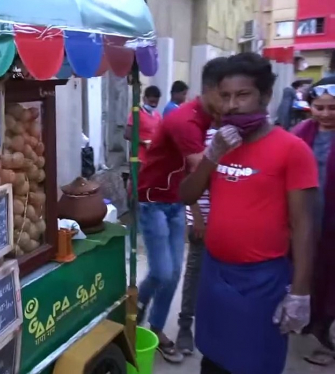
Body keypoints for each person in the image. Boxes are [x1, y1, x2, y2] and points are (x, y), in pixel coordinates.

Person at [180, 52, 318, 374]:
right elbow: (186, 194)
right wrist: (212, 156)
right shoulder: (220, 143)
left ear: (266, 96)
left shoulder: (292, 150)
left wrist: (300, 292)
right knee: (212, 359)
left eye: (243, 95)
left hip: (262, 282)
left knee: (253, 363)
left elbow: (304, 226)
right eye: (225, 96)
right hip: (215, 274)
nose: (231, 105)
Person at [134, 57, 227, 363]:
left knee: (173, 274)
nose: (229, 105)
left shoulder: (208, 119)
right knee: (161, 271)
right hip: (154, 202)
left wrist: (194, 214)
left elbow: (192, 180)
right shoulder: (186, 121)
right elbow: (201, 171)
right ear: (209, 89)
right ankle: (134, 311)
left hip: (176, 203)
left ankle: (157, 330)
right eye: (224, 96)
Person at [292, 76, 335, 367]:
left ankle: (324, 327)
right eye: (319, 107)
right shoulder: (300, 133)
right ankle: (311, 320)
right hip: (307, 217)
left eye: (332, 108)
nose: (325, 113)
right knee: (308, 268)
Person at [175, 124, 217, 355]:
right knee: (194, 271)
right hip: (200, 218)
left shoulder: (237, 131)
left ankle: (213, 327)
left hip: (226, 216)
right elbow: (188, 175)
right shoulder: (199, 133)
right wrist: (197, 217)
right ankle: (185, 326)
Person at [124, 85, 162, 165]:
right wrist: (143, 142)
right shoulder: (136, 114)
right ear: (144, 99)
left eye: (156, 102)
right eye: (151, 102)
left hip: (152, 157)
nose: (153, 105)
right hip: (139, 157)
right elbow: (127, 134)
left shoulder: (157, 116)